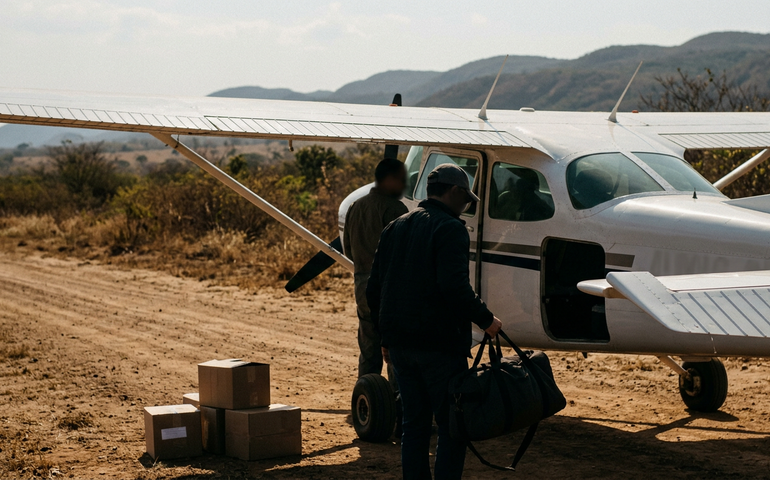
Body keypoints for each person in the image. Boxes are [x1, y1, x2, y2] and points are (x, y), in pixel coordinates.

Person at [367, 163, 503, 480]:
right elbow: (454, 288)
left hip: (400, 346)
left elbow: (374, 289)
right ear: (454, 192)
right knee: (452, 426)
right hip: (439, 347)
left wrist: (385, 337)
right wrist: (487, 320)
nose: (467, 205)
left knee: (414, 425)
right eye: (466, 198)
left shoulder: (395, 227)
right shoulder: (451, 229)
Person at [343, 158, 408, 378]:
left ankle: (367, 398)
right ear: (388, 180)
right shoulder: (396, 210)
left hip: (362, 285)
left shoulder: (355, 207)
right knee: (395, 348)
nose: (404, 184)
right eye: (400, 179)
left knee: (369, 347)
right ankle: (397, 401)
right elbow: (403, 257)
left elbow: (348, 250)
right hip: (390, 289)